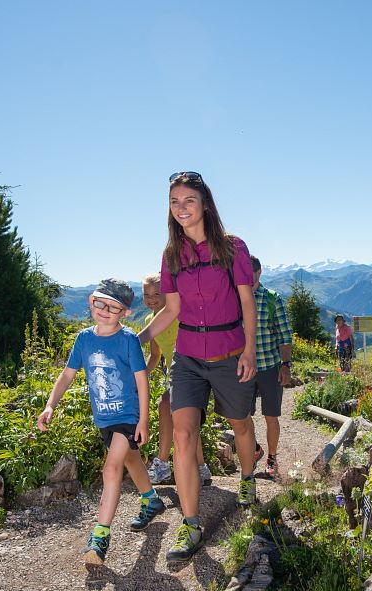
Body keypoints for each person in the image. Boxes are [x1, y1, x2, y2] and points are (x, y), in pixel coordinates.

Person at [138, 171, 259, 563]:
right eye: (174, 202)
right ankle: (190, 523)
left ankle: (247, 478)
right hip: (188, 357)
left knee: (240, 422)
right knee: (183, 435)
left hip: (229, 353)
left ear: (205, 203)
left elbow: (246, 303)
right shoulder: (172, 255)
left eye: (188, 200)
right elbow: (171, 310)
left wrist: (250, 351)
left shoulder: (232, 247)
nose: (181, 209)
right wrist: (136, 340)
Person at [37, 279, 165, 566]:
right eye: (100, 303)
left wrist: (143, 420)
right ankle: (151, 498)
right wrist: (50, 405)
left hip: (128, 416)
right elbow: (67, 375)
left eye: (113, 307)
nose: (105, 310)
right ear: (91, 301)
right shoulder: (84, 339)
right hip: (103, 417)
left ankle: (100, 536)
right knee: (131, 460)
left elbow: (142, 382)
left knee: (111, 467)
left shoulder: (128, 340)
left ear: (125, 313)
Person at [142, 272, 212, 486]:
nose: (152, 298)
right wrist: (138, 377)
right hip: (177, 376)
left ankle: (162, 465)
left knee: (166, 404)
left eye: (157, 293)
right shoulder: (149, 321)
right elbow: (155, 356)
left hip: (197, 371)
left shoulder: (181, 313)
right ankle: (201, 469)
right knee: (184, 420)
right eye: (146, 294)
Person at [249, 255, 293, 478]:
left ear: (259, 272)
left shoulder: (272, 299)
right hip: (243, 367)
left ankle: (272, 458)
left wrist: (285, 365)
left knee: (271, 415)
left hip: (269, 366)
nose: (248, 276)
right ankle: (255, 448)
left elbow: (285, 335)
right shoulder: (235, 298)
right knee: (239, 415)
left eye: (251, 272)